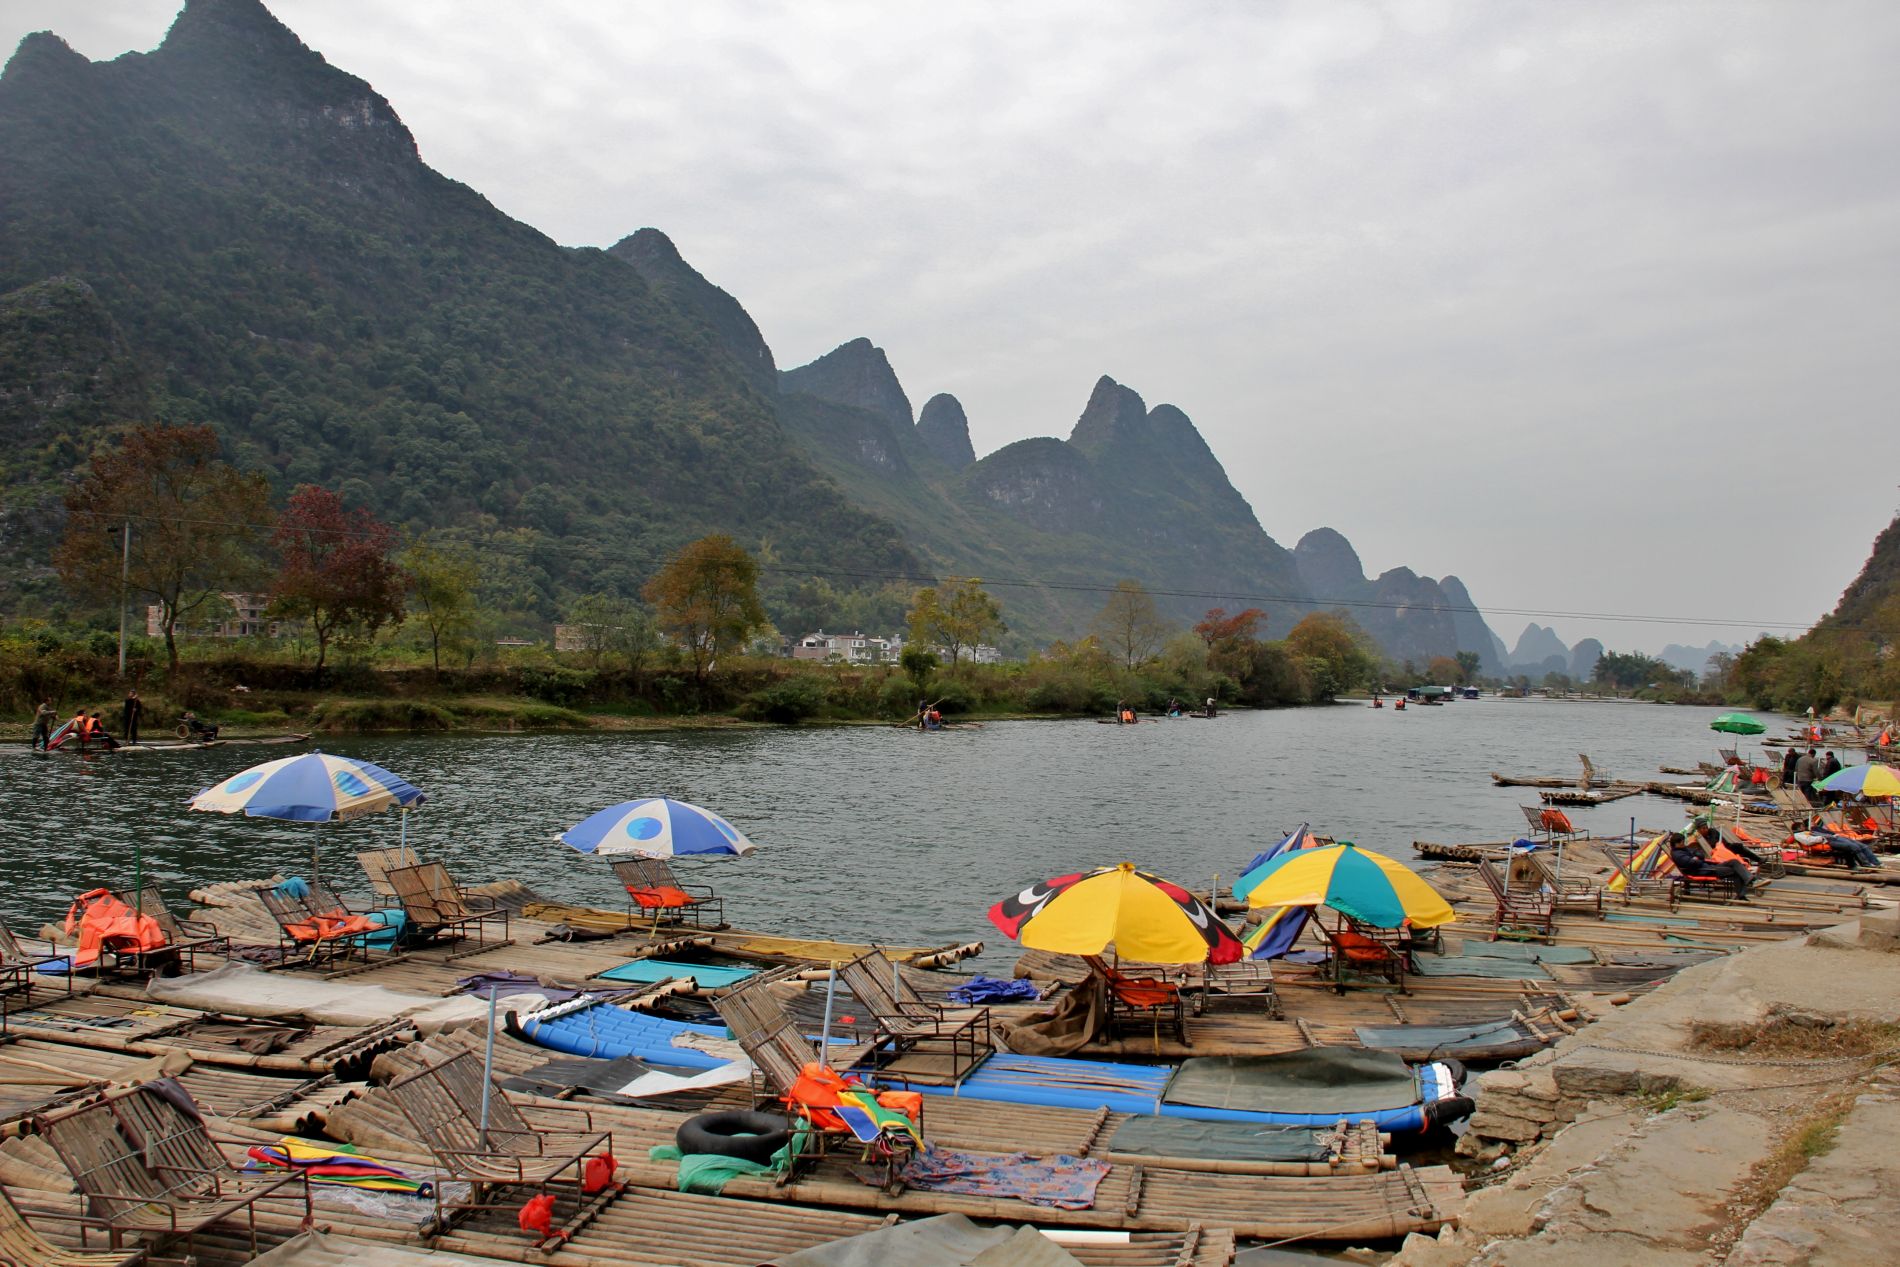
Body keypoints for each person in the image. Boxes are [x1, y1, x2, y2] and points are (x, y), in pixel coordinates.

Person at [1666, 830, 1751, 899]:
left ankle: (1748, 879)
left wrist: (1697, 858)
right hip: (1704, 871)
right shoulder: (1678, 855)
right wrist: (1698, 859)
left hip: (1708, 866)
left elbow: (1699, 854)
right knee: (1734, 870)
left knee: (1734, 862)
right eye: (1682, 842)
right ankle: (1742, 893)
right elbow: (1692, 863)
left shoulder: (1684, 849)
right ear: (1676, 844)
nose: (1684, 843)